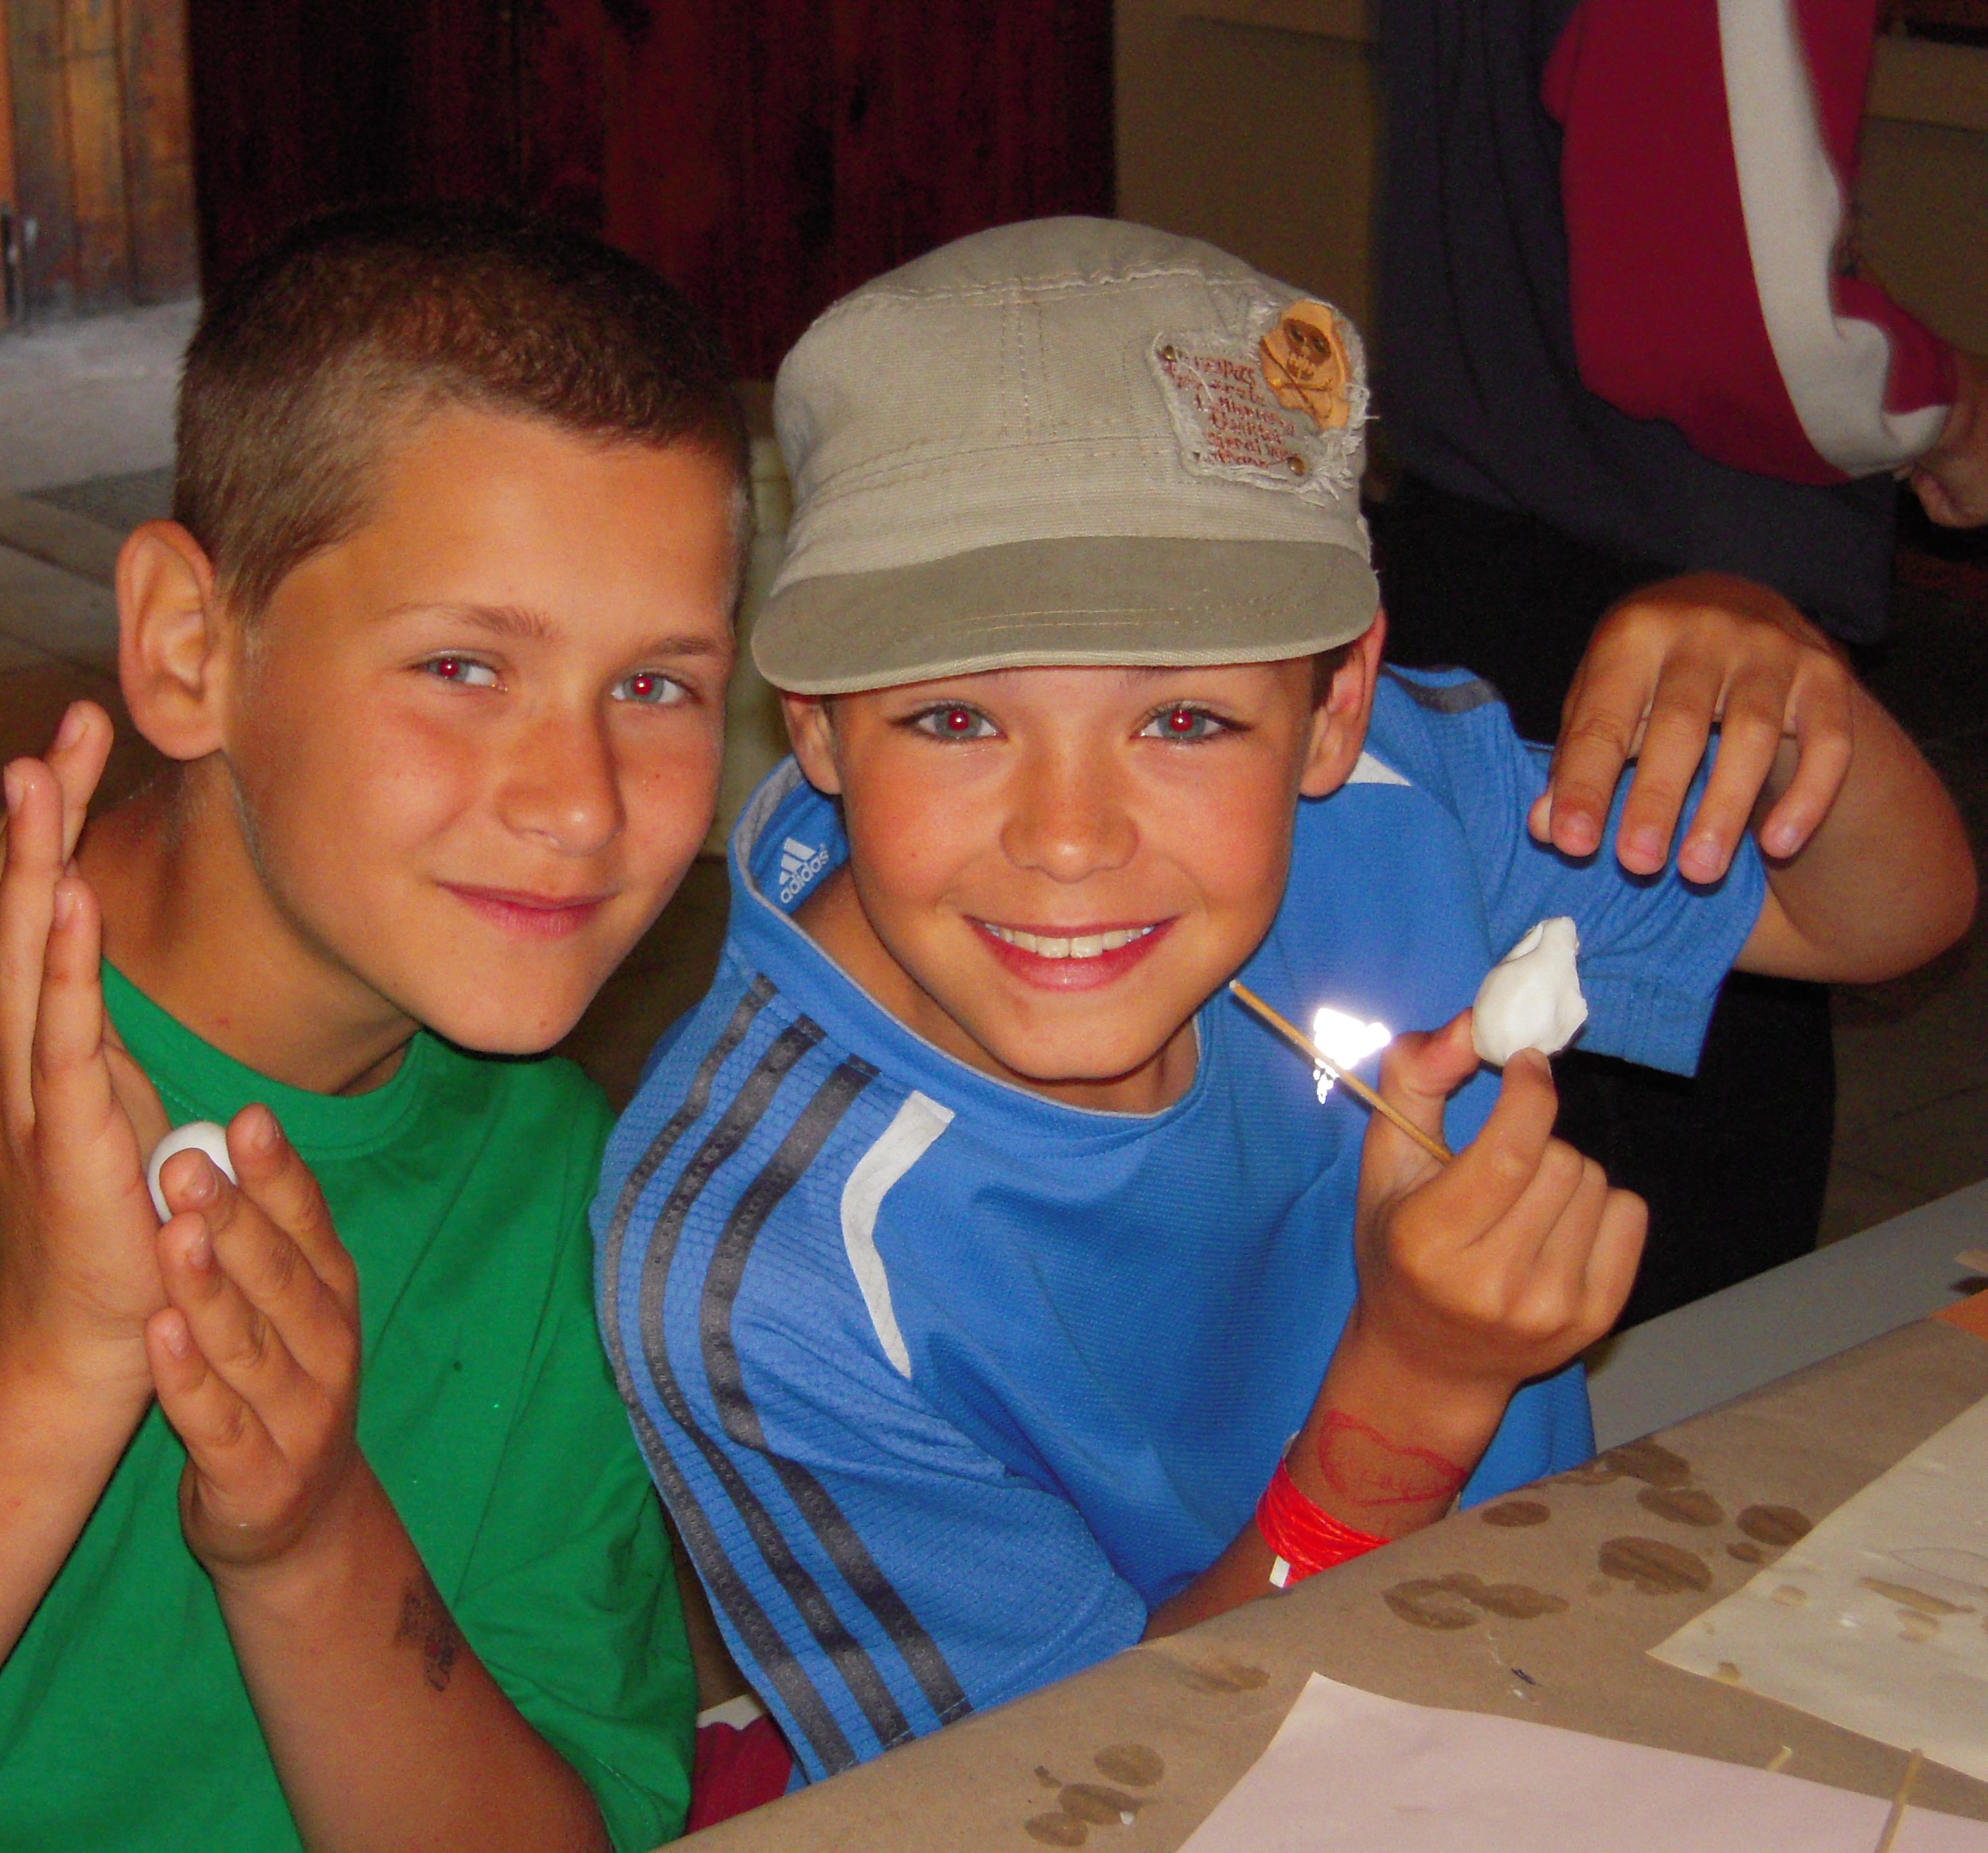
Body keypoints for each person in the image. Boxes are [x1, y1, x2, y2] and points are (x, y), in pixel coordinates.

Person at [595, 218, 1973, 1783]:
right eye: (956, 718)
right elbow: (1069, 1788)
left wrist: (1783, 676)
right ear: (816, 727)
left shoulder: (1392, 800)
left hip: (1561, 1659)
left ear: (1334, 709)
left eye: (1185, 718)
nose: (1070, 840)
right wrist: (1413, 1394)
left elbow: (1888, 915)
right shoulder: (756, 1267)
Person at [0, 204, 748, 1850]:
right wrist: (50, 1360)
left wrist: (310, 1542)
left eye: (657, 687)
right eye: (465, 666)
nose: (581, 803)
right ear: (188, 645)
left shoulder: (563, 1193)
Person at [1372, 0, 1988, 1320]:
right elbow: (1726, 324)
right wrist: (1951, 408)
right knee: (1666, 1209)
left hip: (1509, 557)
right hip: (1629, 573)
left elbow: (1896, 913)